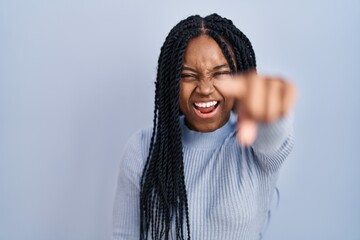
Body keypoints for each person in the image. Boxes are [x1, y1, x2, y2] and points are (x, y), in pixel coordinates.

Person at [113, 13, 297, 240]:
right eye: (188, 75)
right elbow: (124, 236)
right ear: (171, 83)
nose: (205, 88)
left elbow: (275, 129)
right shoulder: (142, 149)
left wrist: (272, 104)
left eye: (220, 73)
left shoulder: (254, 146)